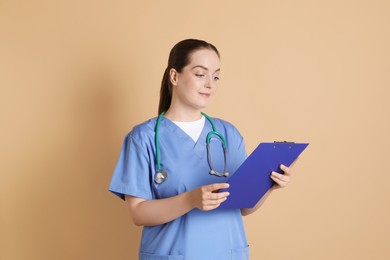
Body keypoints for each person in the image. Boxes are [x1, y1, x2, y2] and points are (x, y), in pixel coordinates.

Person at [109, 39, 294, 260]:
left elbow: (243, 208)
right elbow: (138, 212)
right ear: (174, 76)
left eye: (216, 76)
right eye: (200, 74)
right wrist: (190, 200)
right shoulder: (143, 138)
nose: (210, 83)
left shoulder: (228, 134)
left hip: (227, 252)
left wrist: (268, 186)